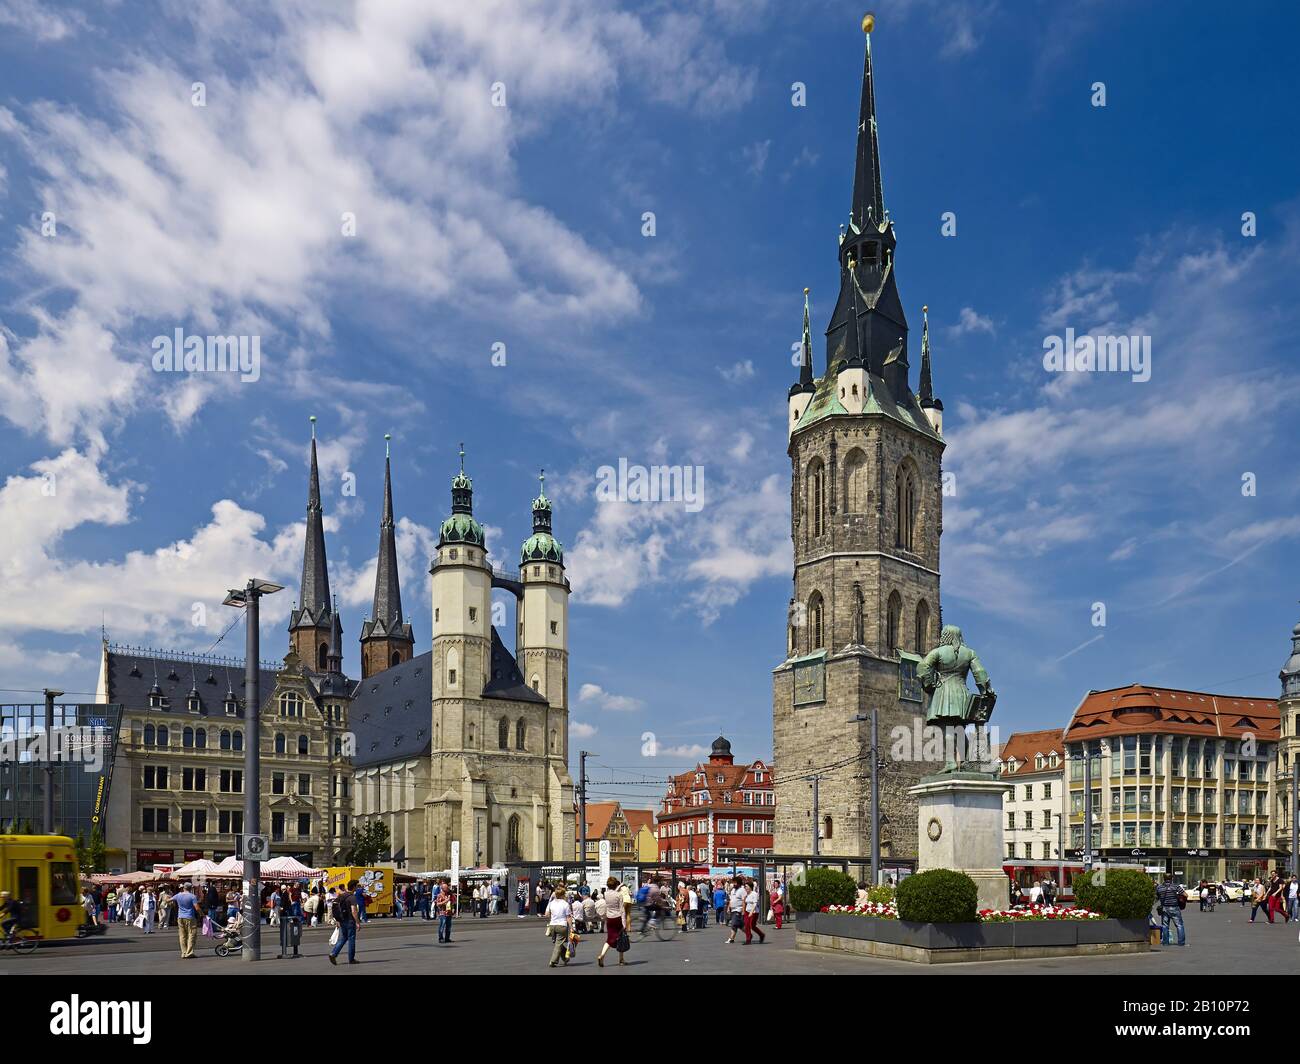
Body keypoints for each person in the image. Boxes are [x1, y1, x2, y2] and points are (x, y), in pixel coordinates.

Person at [597, 877, 628, 967]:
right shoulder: (619, 895)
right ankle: (621, 960)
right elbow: (622, 910)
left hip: (609, 918)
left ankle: (602, 955)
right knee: (621, 938)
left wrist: (619, 886)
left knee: (609, 939)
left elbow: (613, 891)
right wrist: (624, 923)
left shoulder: (606, 894)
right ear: (616, 885)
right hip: (617, 918)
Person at [328, 879, 360, 965]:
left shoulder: (341, 895)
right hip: (350, 921)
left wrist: (337, 920)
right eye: (357, 886)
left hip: (342, 920)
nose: (357, 887)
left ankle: (333, 953)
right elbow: (354, 911)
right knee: (351, 939)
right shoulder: (352, 897)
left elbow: (335, 907)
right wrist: (357, 922)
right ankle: (351, 959)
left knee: (343, 938)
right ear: (353, 887)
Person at [173, 881, 204, 959]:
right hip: (190, 917)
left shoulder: (178, 895)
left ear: (184, 888)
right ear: (191, 888)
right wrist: (202, 914)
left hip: (180, 917)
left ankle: (184, 952)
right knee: (192, 934)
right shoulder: (192, 896)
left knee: (182, 935)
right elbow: (197, 907)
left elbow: (169, 899)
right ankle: (189, 952)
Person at [1155, 873, 1186, 947]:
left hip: (1164, 908)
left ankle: (1165, 942)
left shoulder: (1159, 887)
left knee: (1165, 926)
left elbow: (1156, 898)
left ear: (1164, 878)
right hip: (1175, 908)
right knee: (1179, 925)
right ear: (1171, 878)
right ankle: (1181, 942)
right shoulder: (1176, 886)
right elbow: (1185, 895)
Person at [546, 886, 573, 967]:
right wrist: (571, 927)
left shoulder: (551, 903)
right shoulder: (565, 904)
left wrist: (552, 916)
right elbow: (568, 917)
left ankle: (565, 958)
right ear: (562, 895)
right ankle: (553, 961)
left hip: (552, 925)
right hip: (562, 925)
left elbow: (546, 914)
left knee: (558, 943)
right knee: (558, 943)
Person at [743, 878, 767, 944]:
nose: (745, 888)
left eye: (746, 887)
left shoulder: (754, 894)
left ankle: (761, 935)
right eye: (745, 887)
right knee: (747, 926)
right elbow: (745, 903)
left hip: (754, 912)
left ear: (750, 887)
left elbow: (755, 904)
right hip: (747, 911)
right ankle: (748, 939)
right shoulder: (747, 895)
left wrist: (751, 912)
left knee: (752, 926)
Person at [725, 879, 746, 944]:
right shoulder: (733, 890)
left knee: (734, 923)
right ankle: (748, 934)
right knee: (739, 925)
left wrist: (743, 910)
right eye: (733, 882)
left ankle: (731, 938)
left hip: (738, 909)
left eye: (735, 883)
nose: (733, 884)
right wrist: (729, 907)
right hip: (733, 909)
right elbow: (731, 900)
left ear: (739, 883)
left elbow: (744, 901)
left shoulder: (742, 890)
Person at [436, 879, 455, 943]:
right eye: (446, 888)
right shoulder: (439, 895)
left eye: (447, 887)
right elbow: (438, 904)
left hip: (449, 913)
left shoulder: (448, 895)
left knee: (448, 926)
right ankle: (441, 938)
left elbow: (452, 902)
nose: (448, 889)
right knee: (442, 926)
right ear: (443, 888)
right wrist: (445, 901)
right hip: (442, 913)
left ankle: (447, 938)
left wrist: (452, 908)